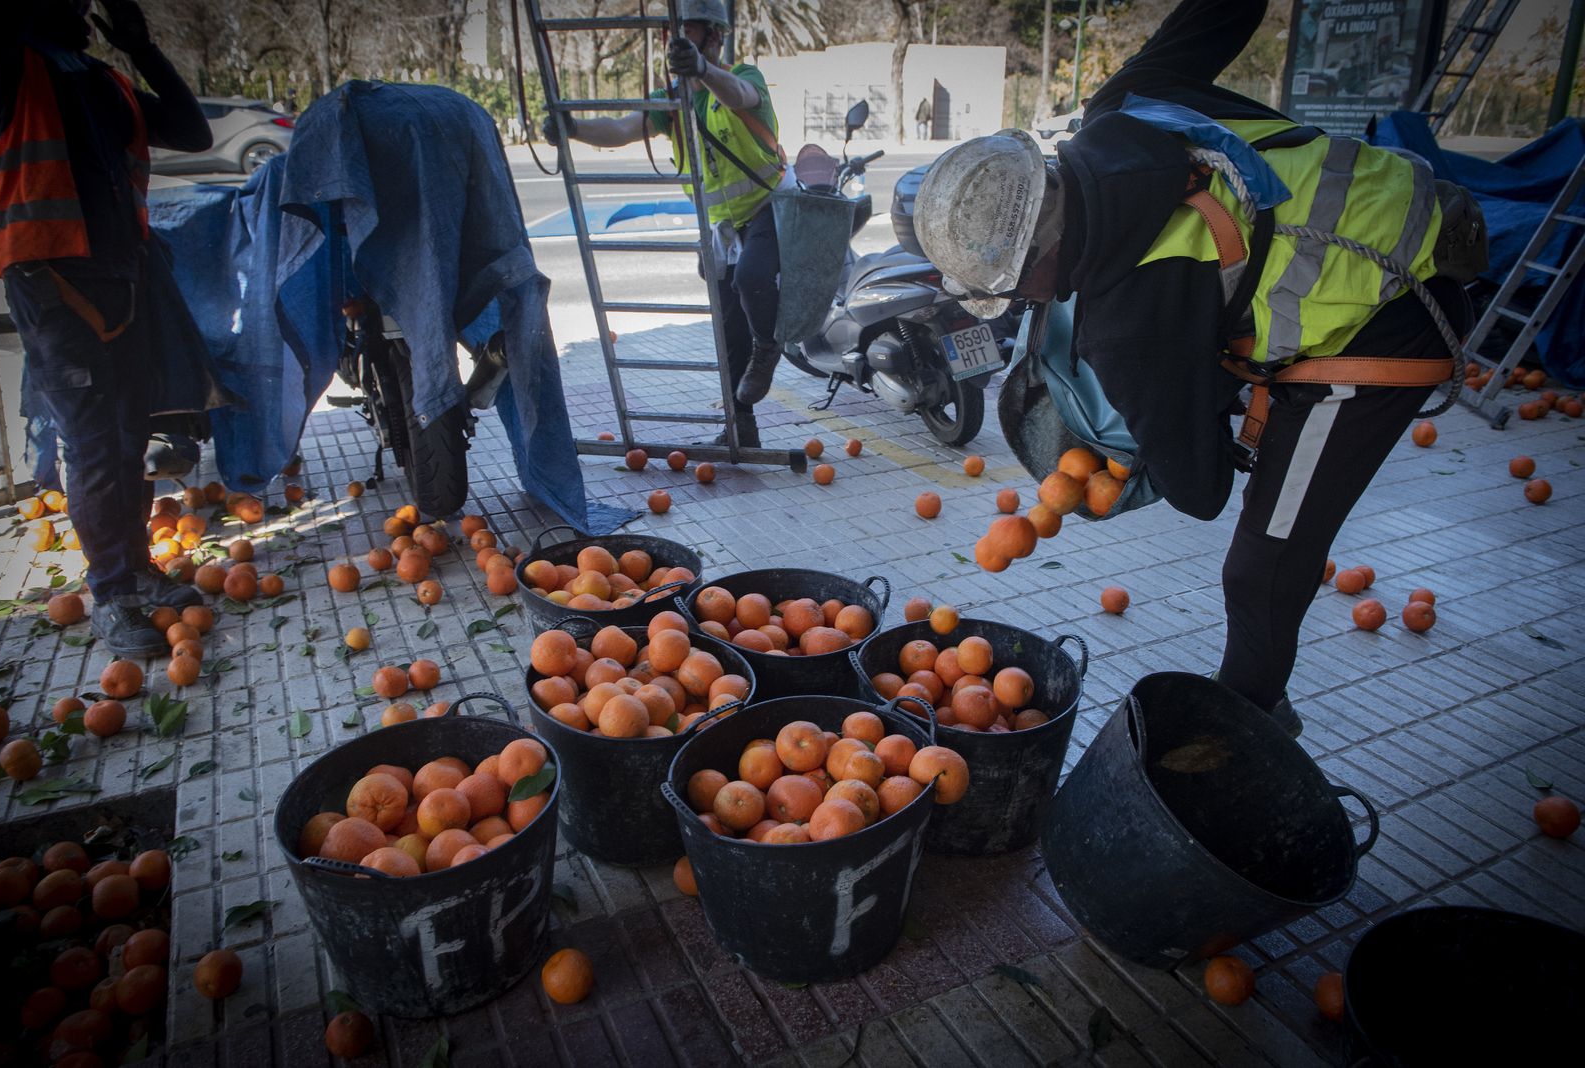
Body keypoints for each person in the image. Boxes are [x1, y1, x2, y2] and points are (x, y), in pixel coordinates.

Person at [914, 0, 1475, 736]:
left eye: (1016, 290)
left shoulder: (1127, 327)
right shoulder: (1119, 108)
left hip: (1395, 313)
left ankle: (1247, 725)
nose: (1026, 302)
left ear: (1037, 262)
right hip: (1419, 197)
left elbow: (1202, 489)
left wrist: (1133, 451)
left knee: (1265, 561)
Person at [0, 0, 215, 656]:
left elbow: (192, 132)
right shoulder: (9, 70)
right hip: (53, 287)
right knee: (90, 443)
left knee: (127, 436)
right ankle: (112, 594)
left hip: (123, 282)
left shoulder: (102, 79)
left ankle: (138, 568)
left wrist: (140, 48)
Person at [544, 0, 784, 447]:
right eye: (675, 36)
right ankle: (740, 427)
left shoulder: (743, 77)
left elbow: (738, 96)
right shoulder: (670, 101)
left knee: (753, 278)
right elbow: (620, 129)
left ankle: (769, 346)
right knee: (728, 329)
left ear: (714, 37)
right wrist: (572, 127)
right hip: (722, 228)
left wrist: (702, 72)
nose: (678, 43)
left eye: (690, 33)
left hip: (768, 209)